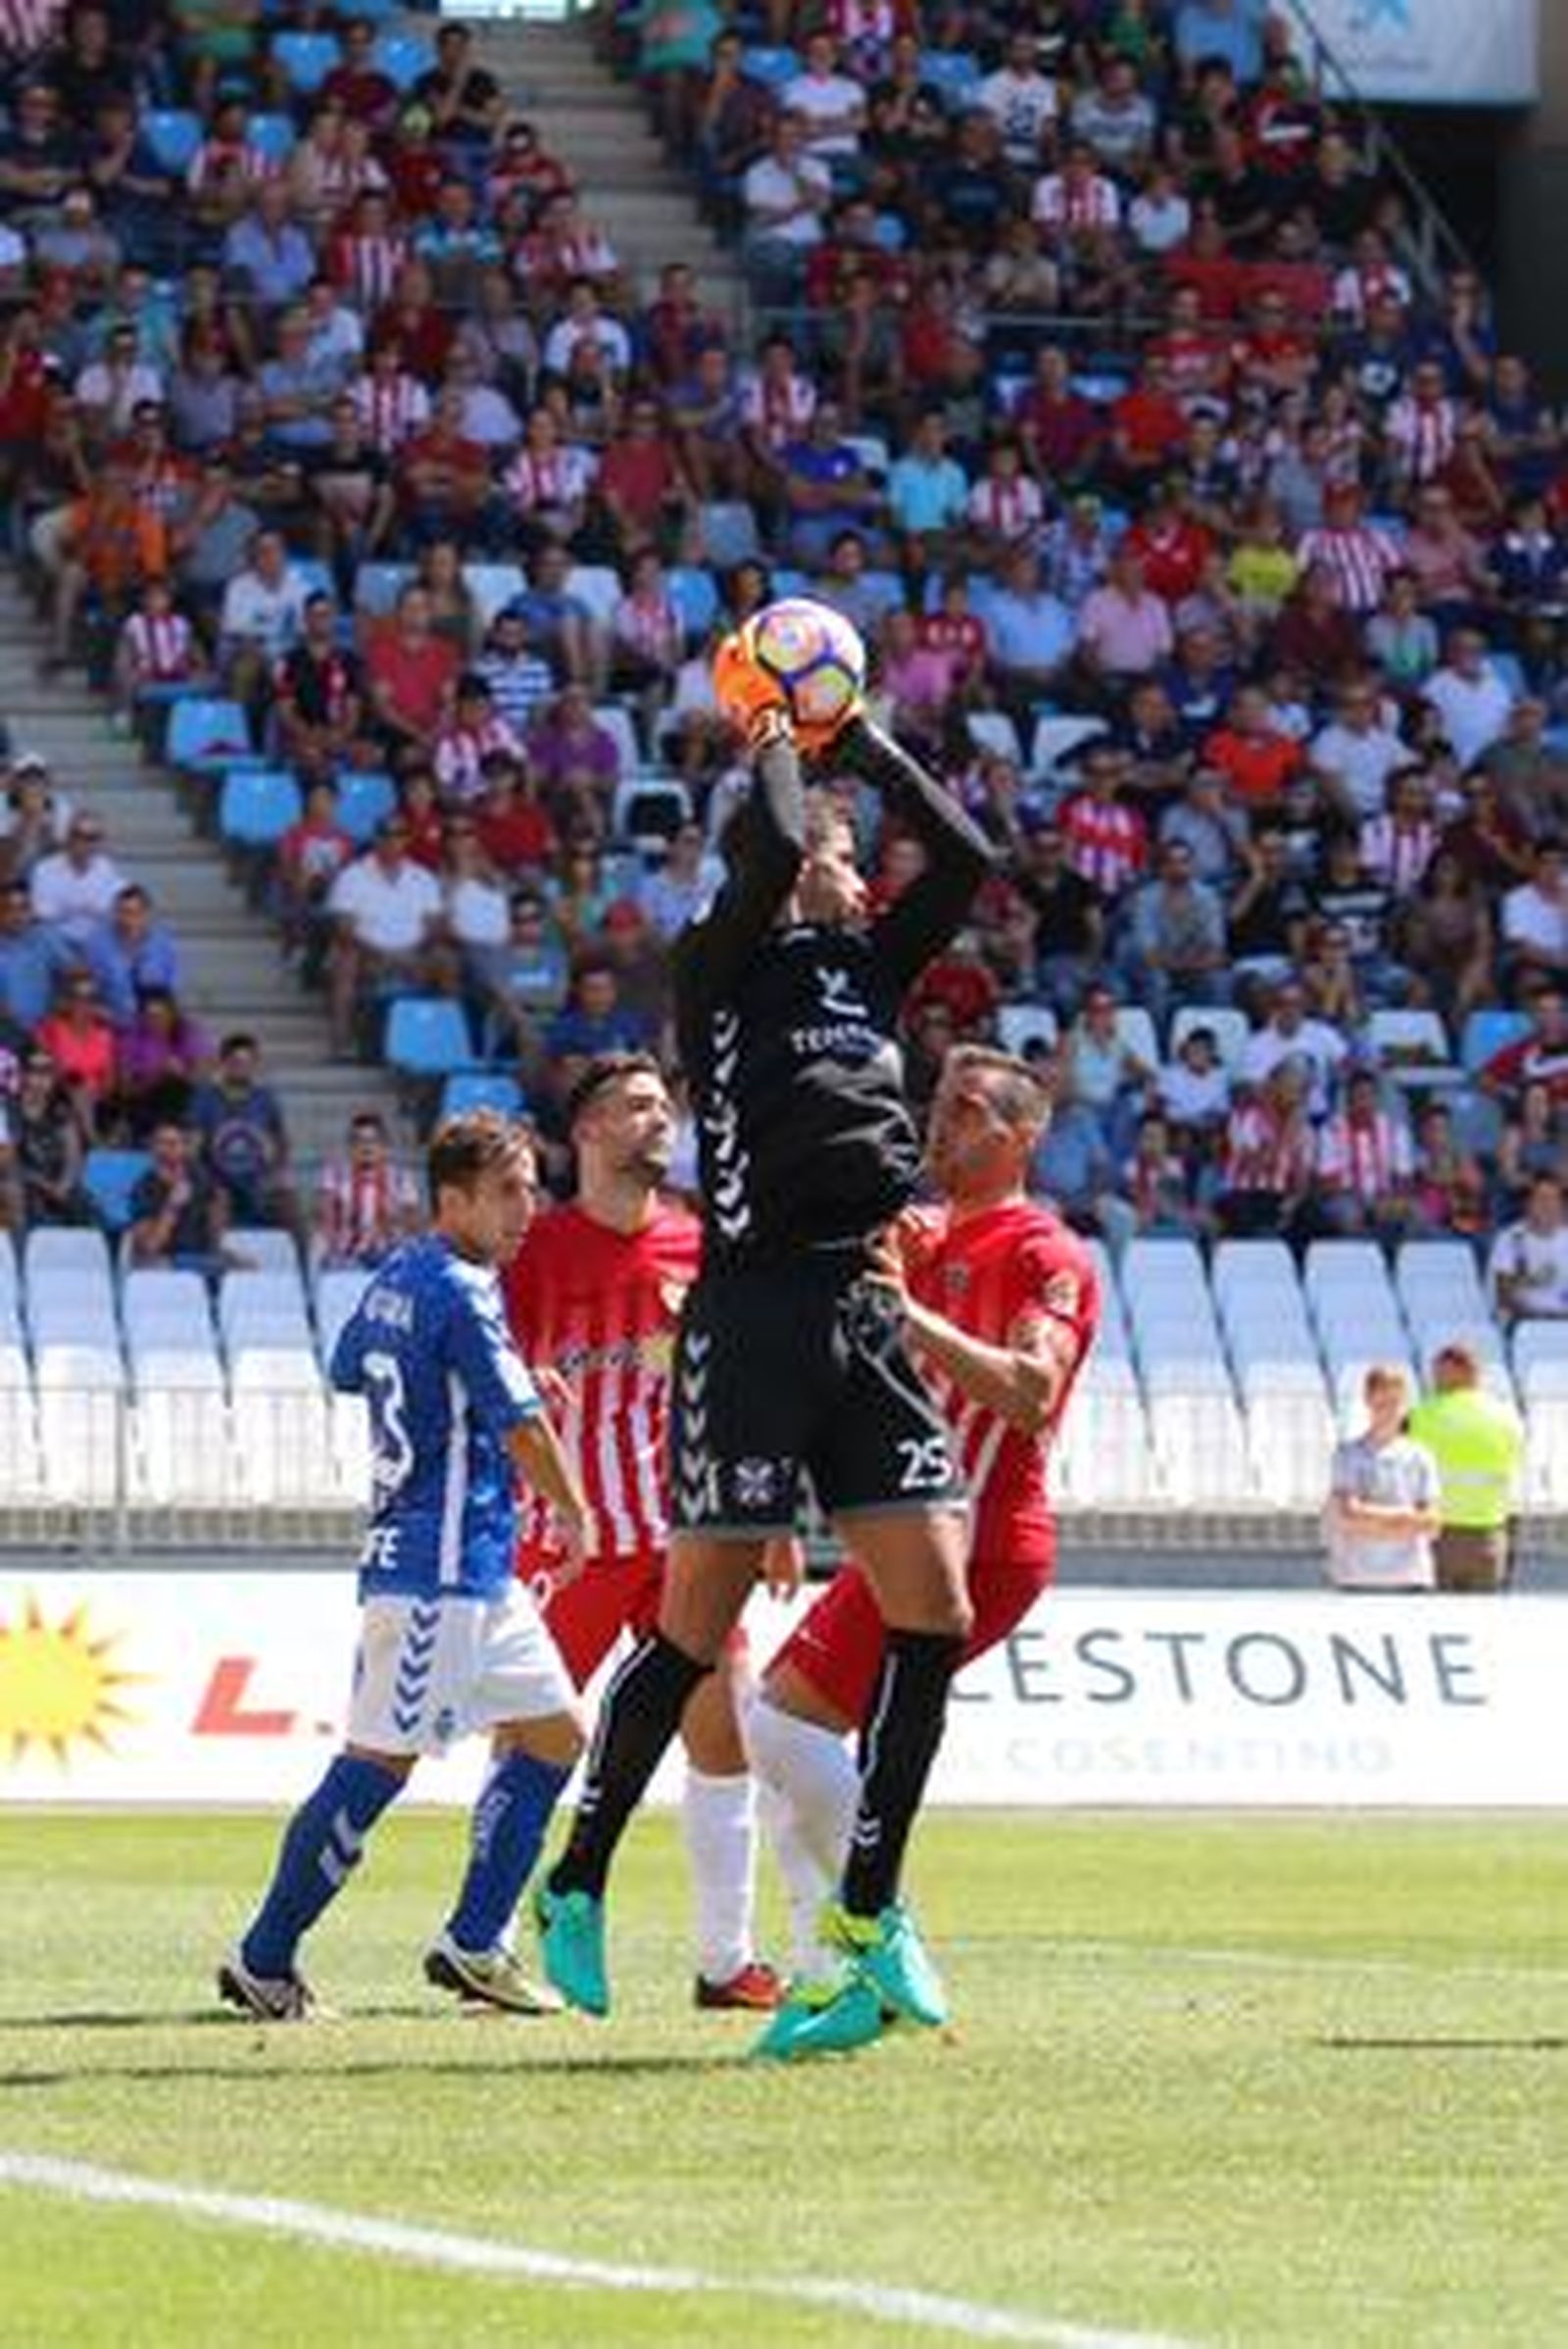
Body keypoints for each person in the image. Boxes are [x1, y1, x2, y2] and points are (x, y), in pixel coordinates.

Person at [533, 686, 993, 2062]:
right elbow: (770, 840)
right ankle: (577, 1875)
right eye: (842, 854)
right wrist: (785, 736)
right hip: (754, 1311)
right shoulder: (721, 960)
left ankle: (862, 1918)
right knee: (693, 1630)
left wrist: (876, 746)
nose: (857, 871)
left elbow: (966, 857)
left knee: (938, 1612)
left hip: (862, 1300)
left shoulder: (871, 970)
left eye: (851, 855)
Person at [220, 1111, 591, 2023]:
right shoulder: (463, 1288)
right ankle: (264, 1958)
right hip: (438, 1567)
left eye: (532, 1188)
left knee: (555, 1735)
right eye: (506, 1191)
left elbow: (355, 1366)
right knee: (376, 1765)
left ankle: (473, 1941)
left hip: (475, 1570)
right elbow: (519, 1425)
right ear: (453, 1198)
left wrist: (467, 1382)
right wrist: (576, 1510)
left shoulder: (400, 1274)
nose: (525, 1208)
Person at [747, 1045, 1099, 1986]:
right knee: (783, 1744)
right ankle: (828, 1970)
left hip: (981, 1544)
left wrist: (915, 1319)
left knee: (782, 1728)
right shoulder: (921, 1234)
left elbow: (1032, 1391)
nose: (941, 1121)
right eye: (940, 1100)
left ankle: (880, 1940)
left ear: (1023, 1137)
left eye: (971, 1108)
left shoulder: (1045, 1255)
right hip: (913, 1532)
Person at [506, 1052, 782, 2011]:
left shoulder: (697, 1243)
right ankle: (485, 1944)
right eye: (634, 1106)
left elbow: (736, 1384)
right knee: (535, 1740)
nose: (658, 1120)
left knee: (726, 1728)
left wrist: (768, 1510)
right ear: (585, 1131)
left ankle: (723, 1960)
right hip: (566, 1538)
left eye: (665, 1106)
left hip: (684, 1539)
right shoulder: (533, 1251)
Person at [1407, 1344, 1526, 1593]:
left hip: (1436, 1535)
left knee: (1431, 1622)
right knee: (1480, 1623)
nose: (1434, 1381)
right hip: (1487, 1534)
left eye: (1438, 1373)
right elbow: (1516, 1463)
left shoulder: (1421, 1415)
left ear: (1455, 1372)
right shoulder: (1507, 1417)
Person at [1323, 1364, 1442, 1593]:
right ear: (1368, 1401)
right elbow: (1348, 1517)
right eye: (1381, 1403)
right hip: (1358, 1577)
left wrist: (1371, 1519)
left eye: (1395, 1403)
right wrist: (1406, 1517)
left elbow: (1432, 1524)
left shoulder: (1421, 1457)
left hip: (1411, 1577)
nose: (1388, 1411)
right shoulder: (1348, 1455)